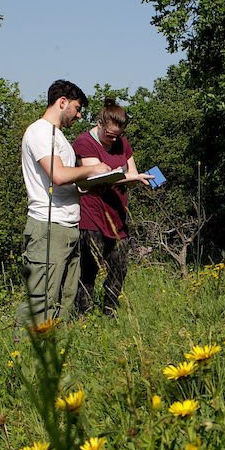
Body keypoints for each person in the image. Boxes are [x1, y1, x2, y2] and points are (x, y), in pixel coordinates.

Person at [16, 80, 111, 326]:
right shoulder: (39, 131)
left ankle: (59, 352)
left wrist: (98, 178)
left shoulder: (57, 136)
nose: (79, 116)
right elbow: (57, 175)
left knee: (66, 299)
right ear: (62, 102)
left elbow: (68, 181)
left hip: (68, 225)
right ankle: (25, 353)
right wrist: (91, 170)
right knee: (41, 300)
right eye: (77, 108)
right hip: (48, 227)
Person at [73, 98, 154, 315]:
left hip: (117, 215)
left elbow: (131, 171)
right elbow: (97, 176)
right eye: (110, 135)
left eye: (117, 135)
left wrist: (137, 178)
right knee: (89, 270)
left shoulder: (122, 142)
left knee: (119, 268)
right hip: (92, 215)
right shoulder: (84, 143)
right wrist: (128, 176)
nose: (114, 139)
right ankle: (83, 317)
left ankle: (109, 311)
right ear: (99, 124)